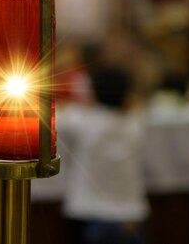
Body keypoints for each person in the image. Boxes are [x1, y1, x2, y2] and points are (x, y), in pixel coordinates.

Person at [58, 65, 148, 244]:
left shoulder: (82, 121)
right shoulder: (135, 124)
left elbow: (56, 118)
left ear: (93, 91)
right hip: (129, 217)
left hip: (89, 213)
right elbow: (139, 108)